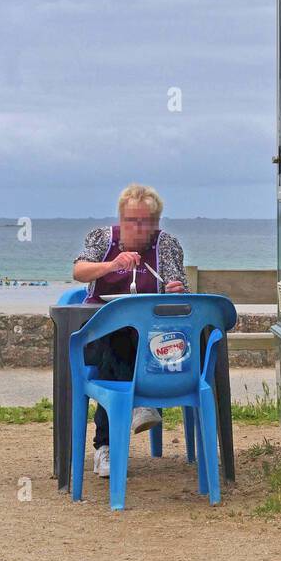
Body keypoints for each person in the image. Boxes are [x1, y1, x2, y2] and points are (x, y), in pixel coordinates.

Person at [73, 183, 187, 478]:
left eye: (148, 221)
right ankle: (142, 405)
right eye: (133, 221)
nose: (140, 227)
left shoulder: (168, 245)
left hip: (150, 338)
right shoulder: (101, 238)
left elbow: (177, 288)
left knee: (135, 338)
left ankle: (105, 447)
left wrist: (176, 290)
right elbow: (79, 271)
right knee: (117, 333)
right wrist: (111, 265)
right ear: (121, 219)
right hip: (100, 334)